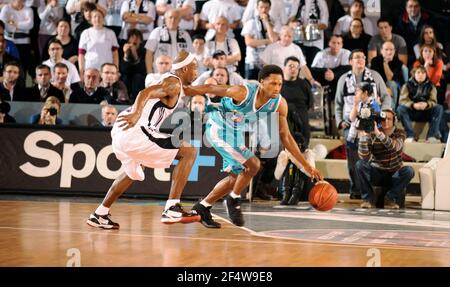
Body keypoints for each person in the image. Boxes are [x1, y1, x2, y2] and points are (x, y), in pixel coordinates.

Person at [185, 64, 323, 228]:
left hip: (235, 134)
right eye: (272, 83)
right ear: (262, 82)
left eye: (280, 84)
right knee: (253, 164)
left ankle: (203, 207)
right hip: (218, 128)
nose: (277, 88)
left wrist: (306, 166)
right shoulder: (243, 92)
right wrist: (185, 90)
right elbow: (211, 87)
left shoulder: (279, 103)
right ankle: (233, 200)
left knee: (236, 178)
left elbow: (286, 137)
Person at [86, 49, 200, 229]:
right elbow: (143, 93)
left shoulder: (175, 83)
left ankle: (99, 214)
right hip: (135, 128)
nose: (197, 73)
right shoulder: (173, 83)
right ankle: (172, 207)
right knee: (189, 151)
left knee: (133, 171)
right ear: (184, 69)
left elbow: (197, 89)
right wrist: (137, 113)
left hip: (122, 130)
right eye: (195, 68)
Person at [335, 49, 391, 200]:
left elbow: (386, 97)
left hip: (372, 123)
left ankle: (370, 189)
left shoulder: (375, 76)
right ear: (350, 61)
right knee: (353, 159)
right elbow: (338, 103)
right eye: (357, 57)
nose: (360, 60)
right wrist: (340, 121)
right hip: (350, 123)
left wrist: (384, 115)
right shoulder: (343, 79)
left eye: (363, 57)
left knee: (369, 159)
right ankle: (356, 189)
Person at [356, 109, 415, 209]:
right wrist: (363, 138)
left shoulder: (400, 133)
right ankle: (367, 199)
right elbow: (364, 156)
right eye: (383, 119)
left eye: (389, 119)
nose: (386, 121)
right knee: (360, 164)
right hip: (377, 172)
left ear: (394, 121)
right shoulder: (372, 134)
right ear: (379, 121)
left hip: (394, 173)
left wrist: (379, 134)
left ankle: (390, 198)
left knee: (409, 171)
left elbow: (395, 147)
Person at [396, 66, 442, 143]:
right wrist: (413, 105)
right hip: (412, 111)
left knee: (439, 108)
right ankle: (410, 135)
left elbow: (434, 101)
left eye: (423, 73)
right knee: (400, 109)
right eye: (418, 72)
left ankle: (431, 136)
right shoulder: (407, 85)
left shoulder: (431, 86)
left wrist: (427, 104)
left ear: (426, 74)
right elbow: (402, 100)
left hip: (426, 112)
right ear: (414, 74)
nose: (420, 75)